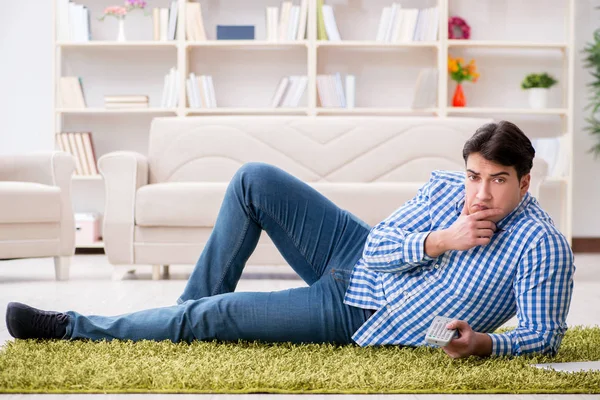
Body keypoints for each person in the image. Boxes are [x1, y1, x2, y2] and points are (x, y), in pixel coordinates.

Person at [5, 120, 574, 359]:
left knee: (220, 315)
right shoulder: (451, 191)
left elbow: (544, 337)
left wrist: (482, 344)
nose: (480, 194)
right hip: (355, 253)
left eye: (498, 182)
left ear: (525, 181)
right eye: (475, 176)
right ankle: (181, 319)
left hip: (361, 311)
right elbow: (379, 245)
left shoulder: (541, 246)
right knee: (255, 178)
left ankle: (73, 327)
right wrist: (440, 239)